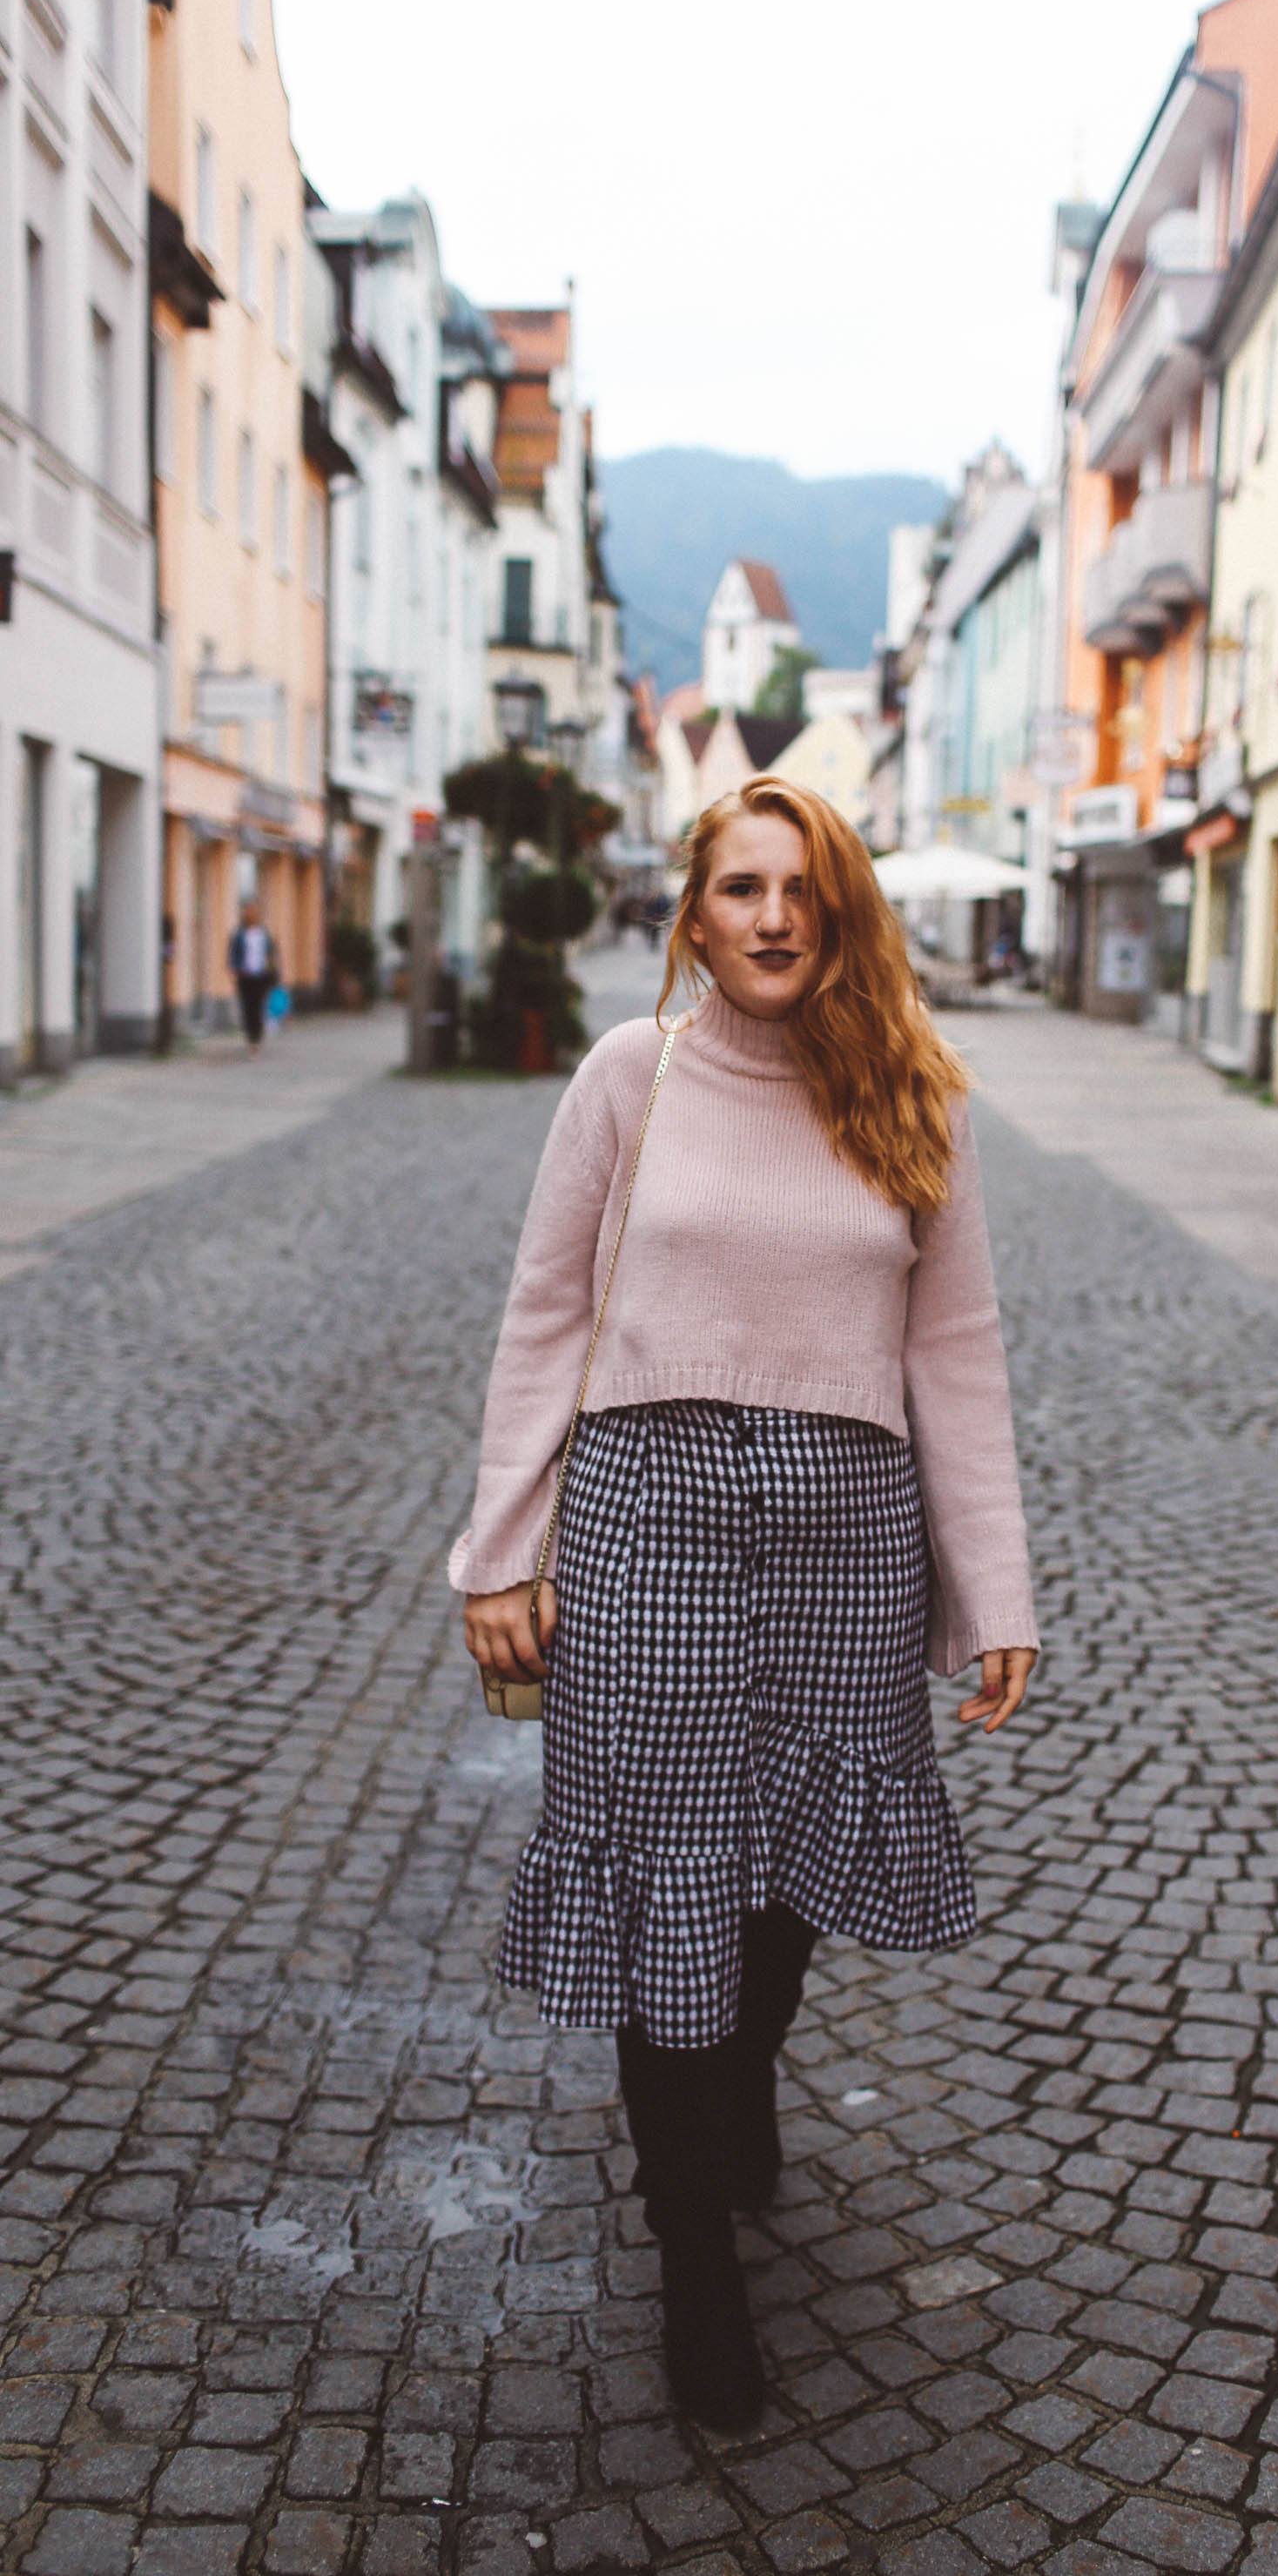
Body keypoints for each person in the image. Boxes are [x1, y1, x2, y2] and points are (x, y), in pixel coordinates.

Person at [453, 773, 1038, 2431]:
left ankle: (739, 2076)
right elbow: (542, 1316)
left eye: (801, 889)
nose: (771, 917)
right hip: (650, 1528)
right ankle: (695, 2240)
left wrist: (994, 1581)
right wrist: (501, 1552)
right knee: (669, 1883)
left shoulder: (914, 1093)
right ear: (691, 913)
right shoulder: (627, 1079)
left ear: (840, 908)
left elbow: (956, 1352)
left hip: (852, 1542)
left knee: (786, 1876)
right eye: (739, 890)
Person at [227, 897, 278, 1054]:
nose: (251, 913)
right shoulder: (239, 934)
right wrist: (235, 968)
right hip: (245, 976)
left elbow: (272, 954)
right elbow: (233, 954)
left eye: (253, 910)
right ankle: (251, 1037)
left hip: (261, 976)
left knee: (258, 1005)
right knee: (247, 1007)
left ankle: (257, 1037)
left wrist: (273, 971)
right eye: (248, 911)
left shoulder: (263, 933)